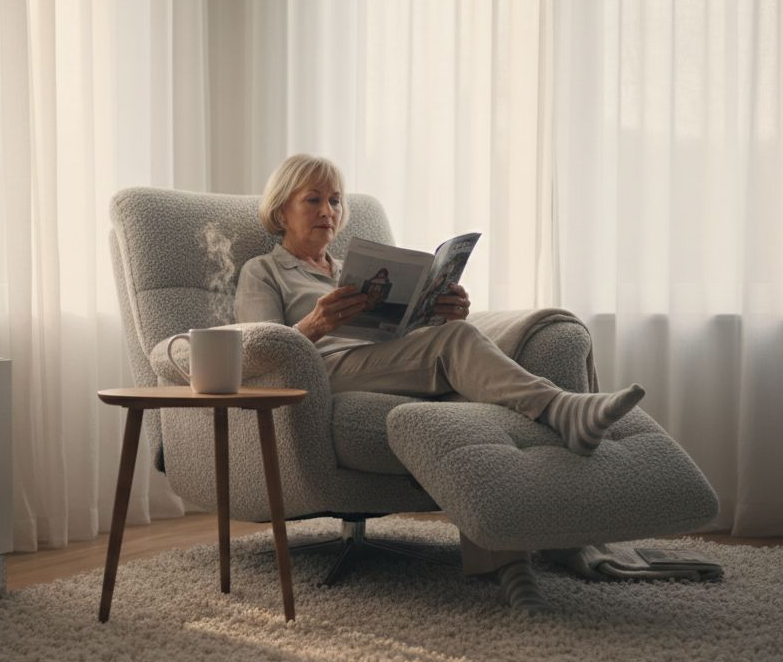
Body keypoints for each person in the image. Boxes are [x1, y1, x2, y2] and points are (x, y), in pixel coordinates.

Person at [234, 153, 645, 457]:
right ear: (282, 210)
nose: (328, 211)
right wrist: (315, 324)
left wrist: (437, 309)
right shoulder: (263, 271)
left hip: (377, 361)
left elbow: (393, 332)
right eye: (313, 200)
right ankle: (563, 409)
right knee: (456, 341)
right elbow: (260, 354)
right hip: (323, 371)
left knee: (454, 331)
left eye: (336, 201)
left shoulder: (351, 270)